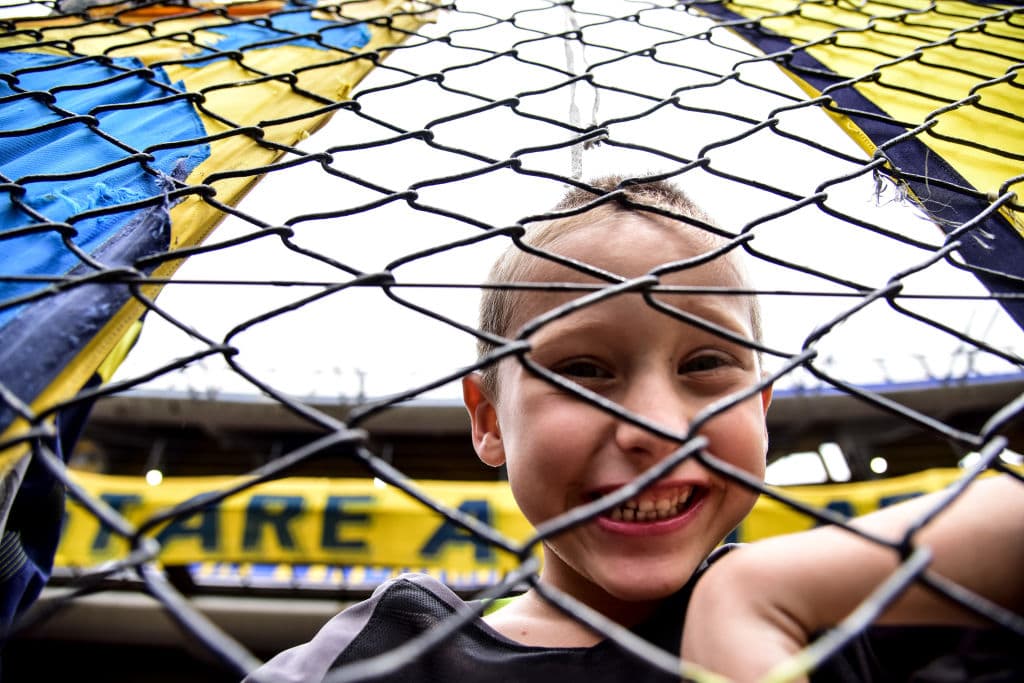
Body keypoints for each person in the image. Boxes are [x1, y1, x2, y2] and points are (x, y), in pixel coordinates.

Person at [244, 176, 1023, 682]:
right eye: (583, 369)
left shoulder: (846, 615)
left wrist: (754, 594)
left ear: (762, 402)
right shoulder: (384, 654)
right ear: (488, 419)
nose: (654, 425)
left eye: (707, 362)